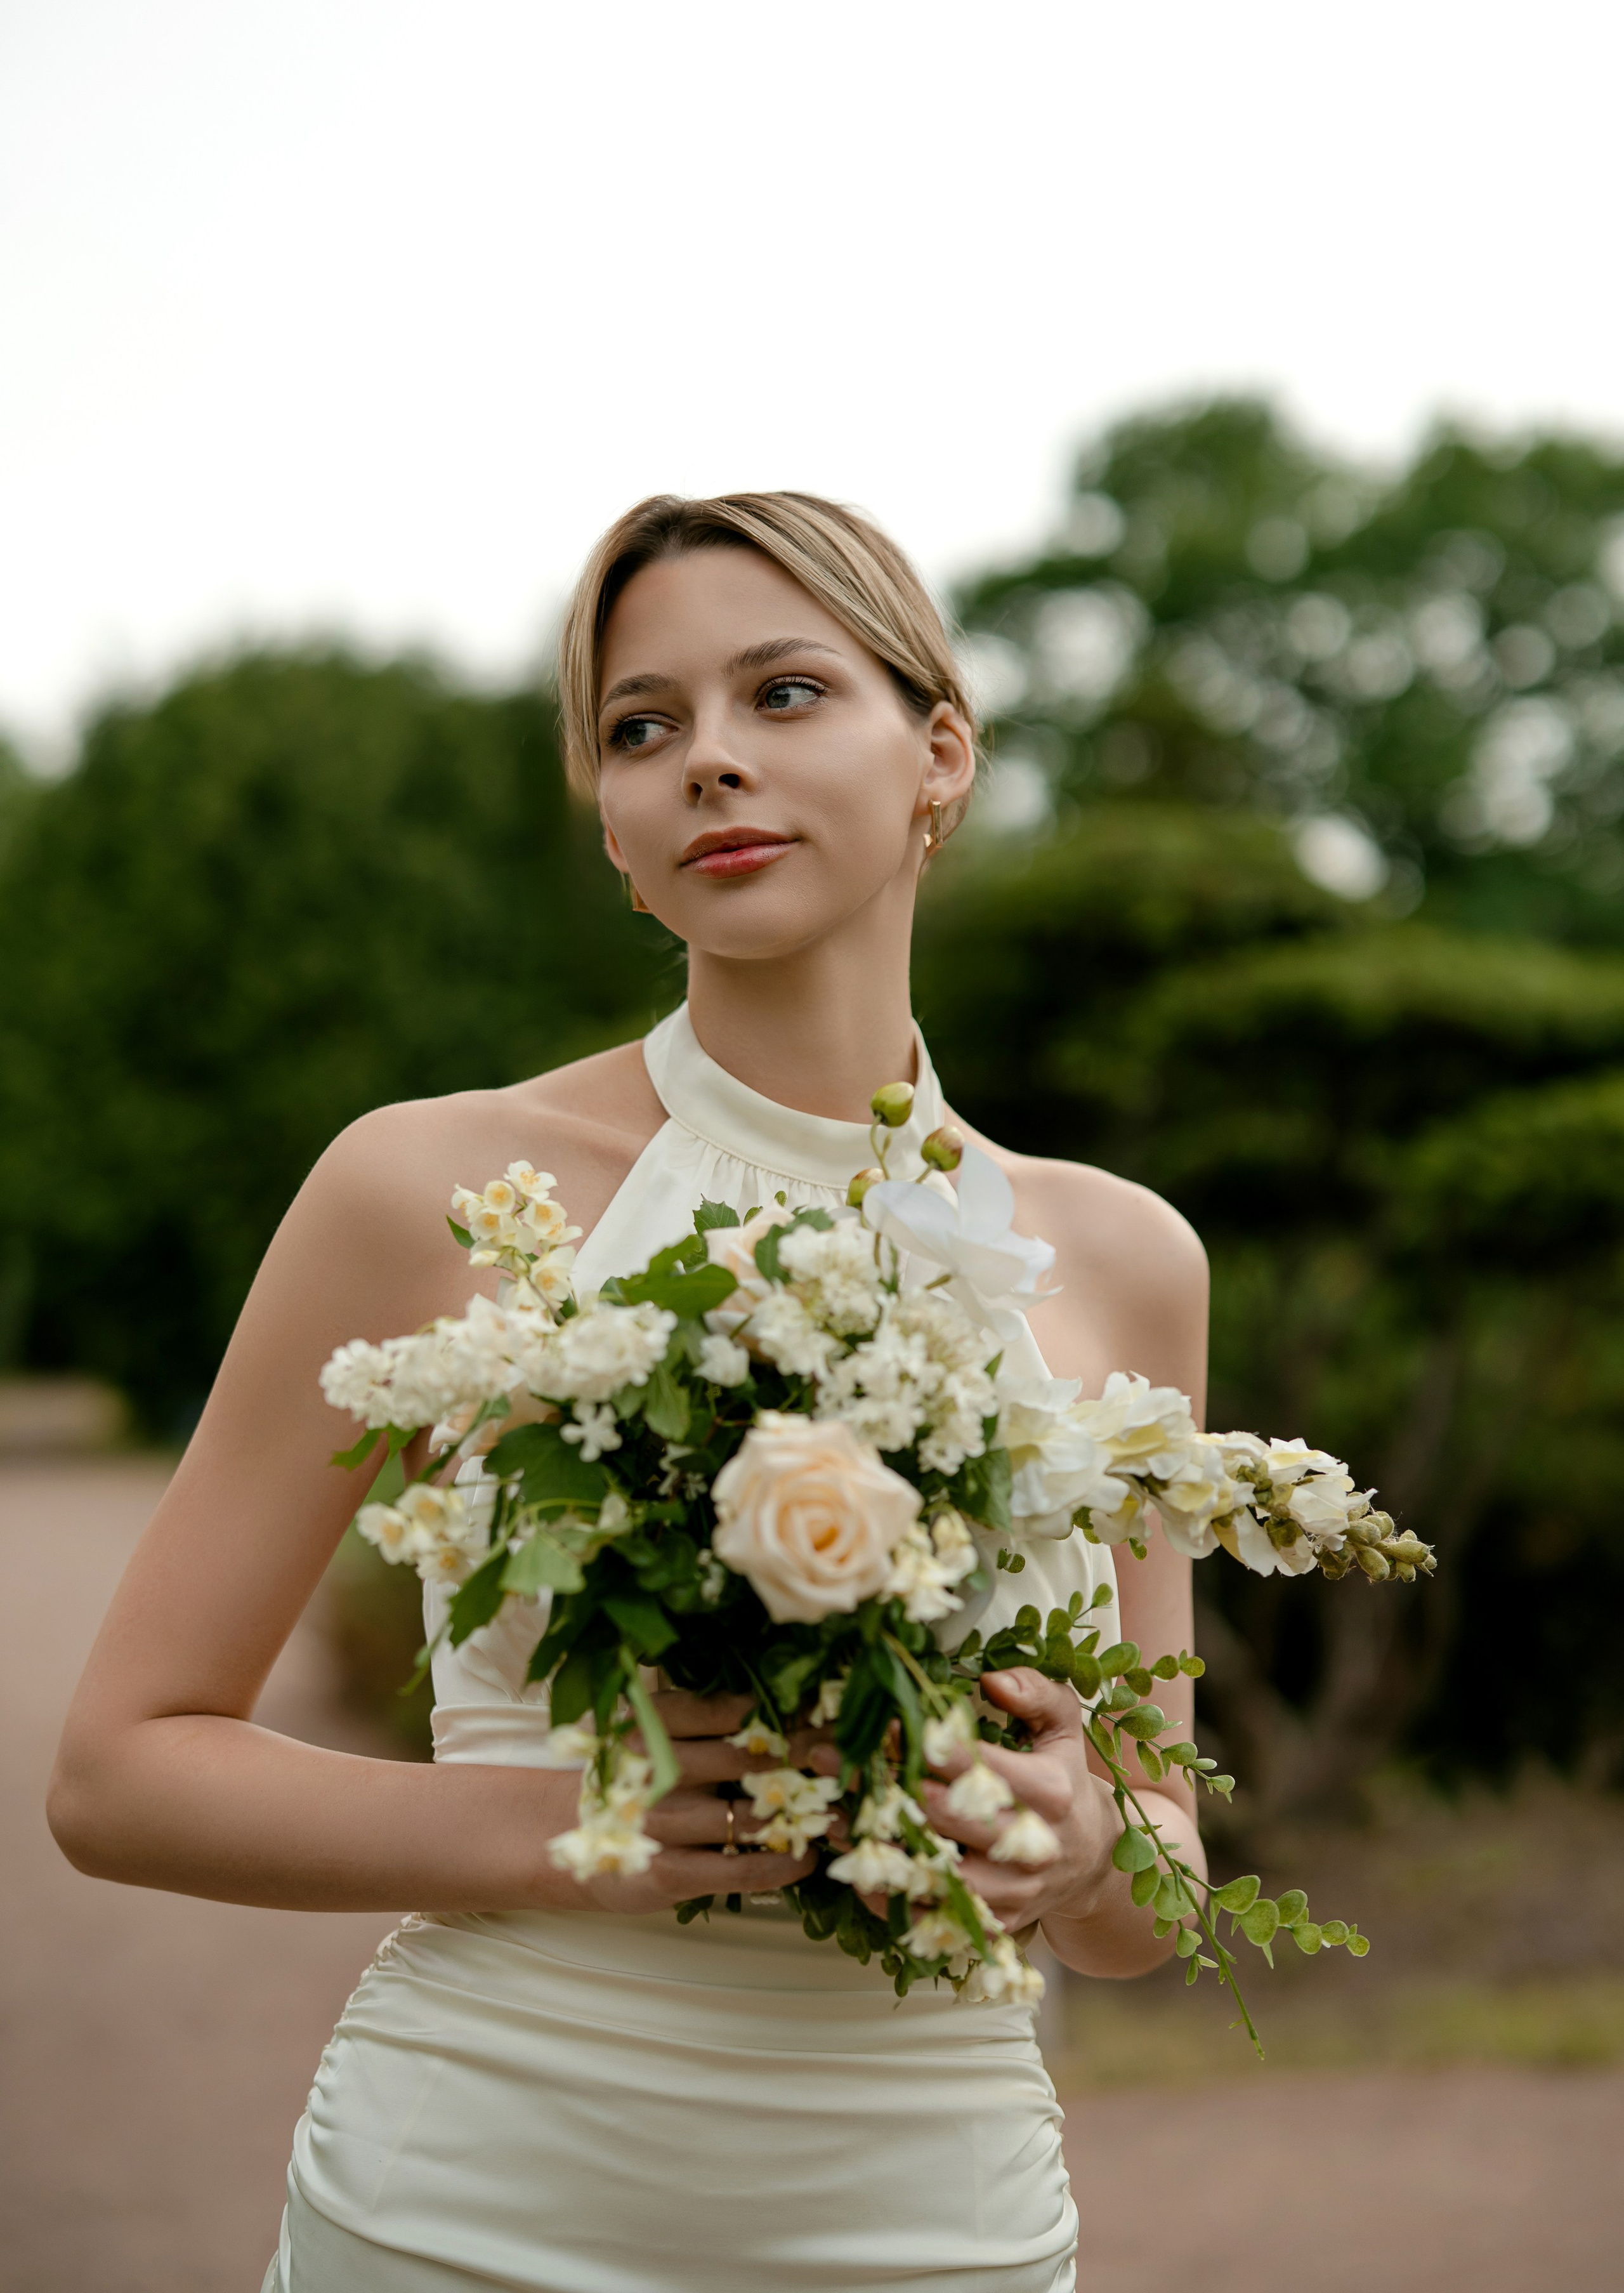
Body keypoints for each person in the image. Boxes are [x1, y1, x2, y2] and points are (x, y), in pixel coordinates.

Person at [49, 492, 1210, 2292]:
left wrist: (1083, 1842)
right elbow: (120, 1775)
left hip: (935, 2230)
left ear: (942, 753)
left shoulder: (1125, 1260)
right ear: (608, 823)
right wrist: (572, 1831)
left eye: (787, 694)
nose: (711, 765)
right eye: (642, 727)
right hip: (469, 2208)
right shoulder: (422, 1188)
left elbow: (1157, 1903)